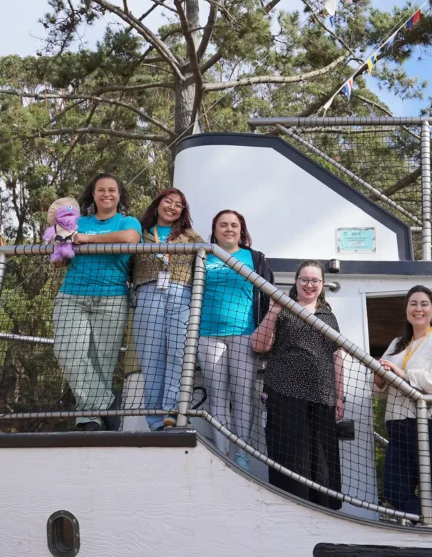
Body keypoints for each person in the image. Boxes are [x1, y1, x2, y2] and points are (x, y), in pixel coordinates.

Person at [52, 173, 142, 431]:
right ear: (93, 194)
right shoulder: (76, 222)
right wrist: (59, 241)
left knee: (102, 361)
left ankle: (89, 419)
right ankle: (107, 403)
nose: (106, 194)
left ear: (119, 194)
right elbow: (59, 262)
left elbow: (130, 239)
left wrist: (86, 239)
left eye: (112, 190)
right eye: (101, 189)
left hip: (112, 298)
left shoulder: (127, 222)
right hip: (72, 296)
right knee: (67, 352)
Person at [252, 260, 344, 509]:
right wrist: (273, 311)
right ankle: (290, 511)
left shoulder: (329, 317)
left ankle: (325, 512)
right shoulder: (282, 310)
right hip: (284, 394)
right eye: (304, 279)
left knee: (322, 461)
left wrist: (339, 396)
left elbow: (337, 357)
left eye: (315, 280)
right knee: (289, 458)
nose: (309, 285)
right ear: (296, 281)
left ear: (322, 284)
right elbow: (258, 345)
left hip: (323, 397)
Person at [374, 285, 432, 527]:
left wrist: (403, 374)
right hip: (399, 424)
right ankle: (431, 524)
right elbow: (380, 390)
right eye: (413, 303)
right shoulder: (396, 343)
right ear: (406, 310)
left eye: (424, 304)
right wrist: (380, 378)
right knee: (394, 490)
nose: (418, 309)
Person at [198, 210, 274, 470]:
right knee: (217, 396)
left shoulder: (254, 258)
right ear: (214, 230)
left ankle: (242, 456)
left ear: (242, 230)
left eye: (234, 225)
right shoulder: (203, 255)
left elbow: (267, 295)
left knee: (243, 396)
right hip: (207, 334)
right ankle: (222, 455)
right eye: (223, 225)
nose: (228, 229)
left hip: (244, 334)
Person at [132, 188, 205, 431]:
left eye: (178, 205)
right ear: (157, 204)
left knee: (179, 354)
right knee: (151, 357)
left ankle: (173, 411)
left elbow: (206, 267)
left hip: (182, 295)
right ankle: (155, 420)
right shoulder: (140, 233)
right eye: (168, 201)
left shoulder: (192, 237)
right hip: (147, 293)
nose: (172, 207)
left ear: (183, 211)